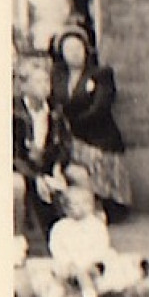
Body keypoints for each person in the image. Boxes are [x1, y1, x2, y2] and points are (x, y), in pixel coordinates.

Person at [51, 23, 132, 221]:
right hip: (68, 136)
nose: (74, 54)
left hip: (97, 135)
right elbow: (54, 103)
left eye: (78, 48)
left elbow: (100, 107)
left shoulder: (101, 74)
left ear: (86, 50)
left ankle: (105, 204)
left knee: (93, 158)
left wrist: (72, 121)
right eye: (69, 49)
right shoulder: (58, 76)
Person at [13, 55, 71, 248]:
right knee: (17, 186)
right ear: (24, 86)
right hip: (23, 169)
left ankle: (74, 235)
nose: (45, 86)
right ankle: (17, 241)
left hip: (48, 167)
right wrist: (37, 177)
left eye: (47, 80)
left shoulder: (55, 110)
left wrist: (57, 167)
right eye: (38, 81)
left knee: (79, 176)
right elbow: (14, 156)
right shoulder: (14, 114)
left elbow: (64, 144)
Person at [32, 184, 115, 297]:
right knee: (60, 276)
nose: (81, 208)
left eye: (85, 203)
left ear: (92, 206)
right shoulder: (60, 227)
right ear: (65, 208)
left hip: (92, 263)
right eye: (75, 204)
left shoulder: (96, 226)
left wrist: (83, 262)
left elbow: (101, 247)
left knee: (82, 272)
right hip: (69, 264)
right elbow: (57, 247)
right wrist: (66, 262)